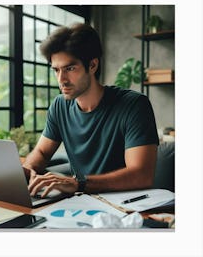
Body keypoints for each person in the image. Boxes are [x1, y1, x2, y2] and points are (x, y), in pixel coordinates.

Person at [23, 23, 159, 198]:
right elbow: (41, 152)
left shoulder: (134, 105)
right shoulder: (59, 106)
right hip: (79, 203)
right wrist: (28, 170)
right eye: (56, 70)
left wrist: (79, 183)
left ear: (93, 65)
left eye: (70, 69)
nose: (61, 79)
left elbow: (142, 175)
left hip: (125, 206)